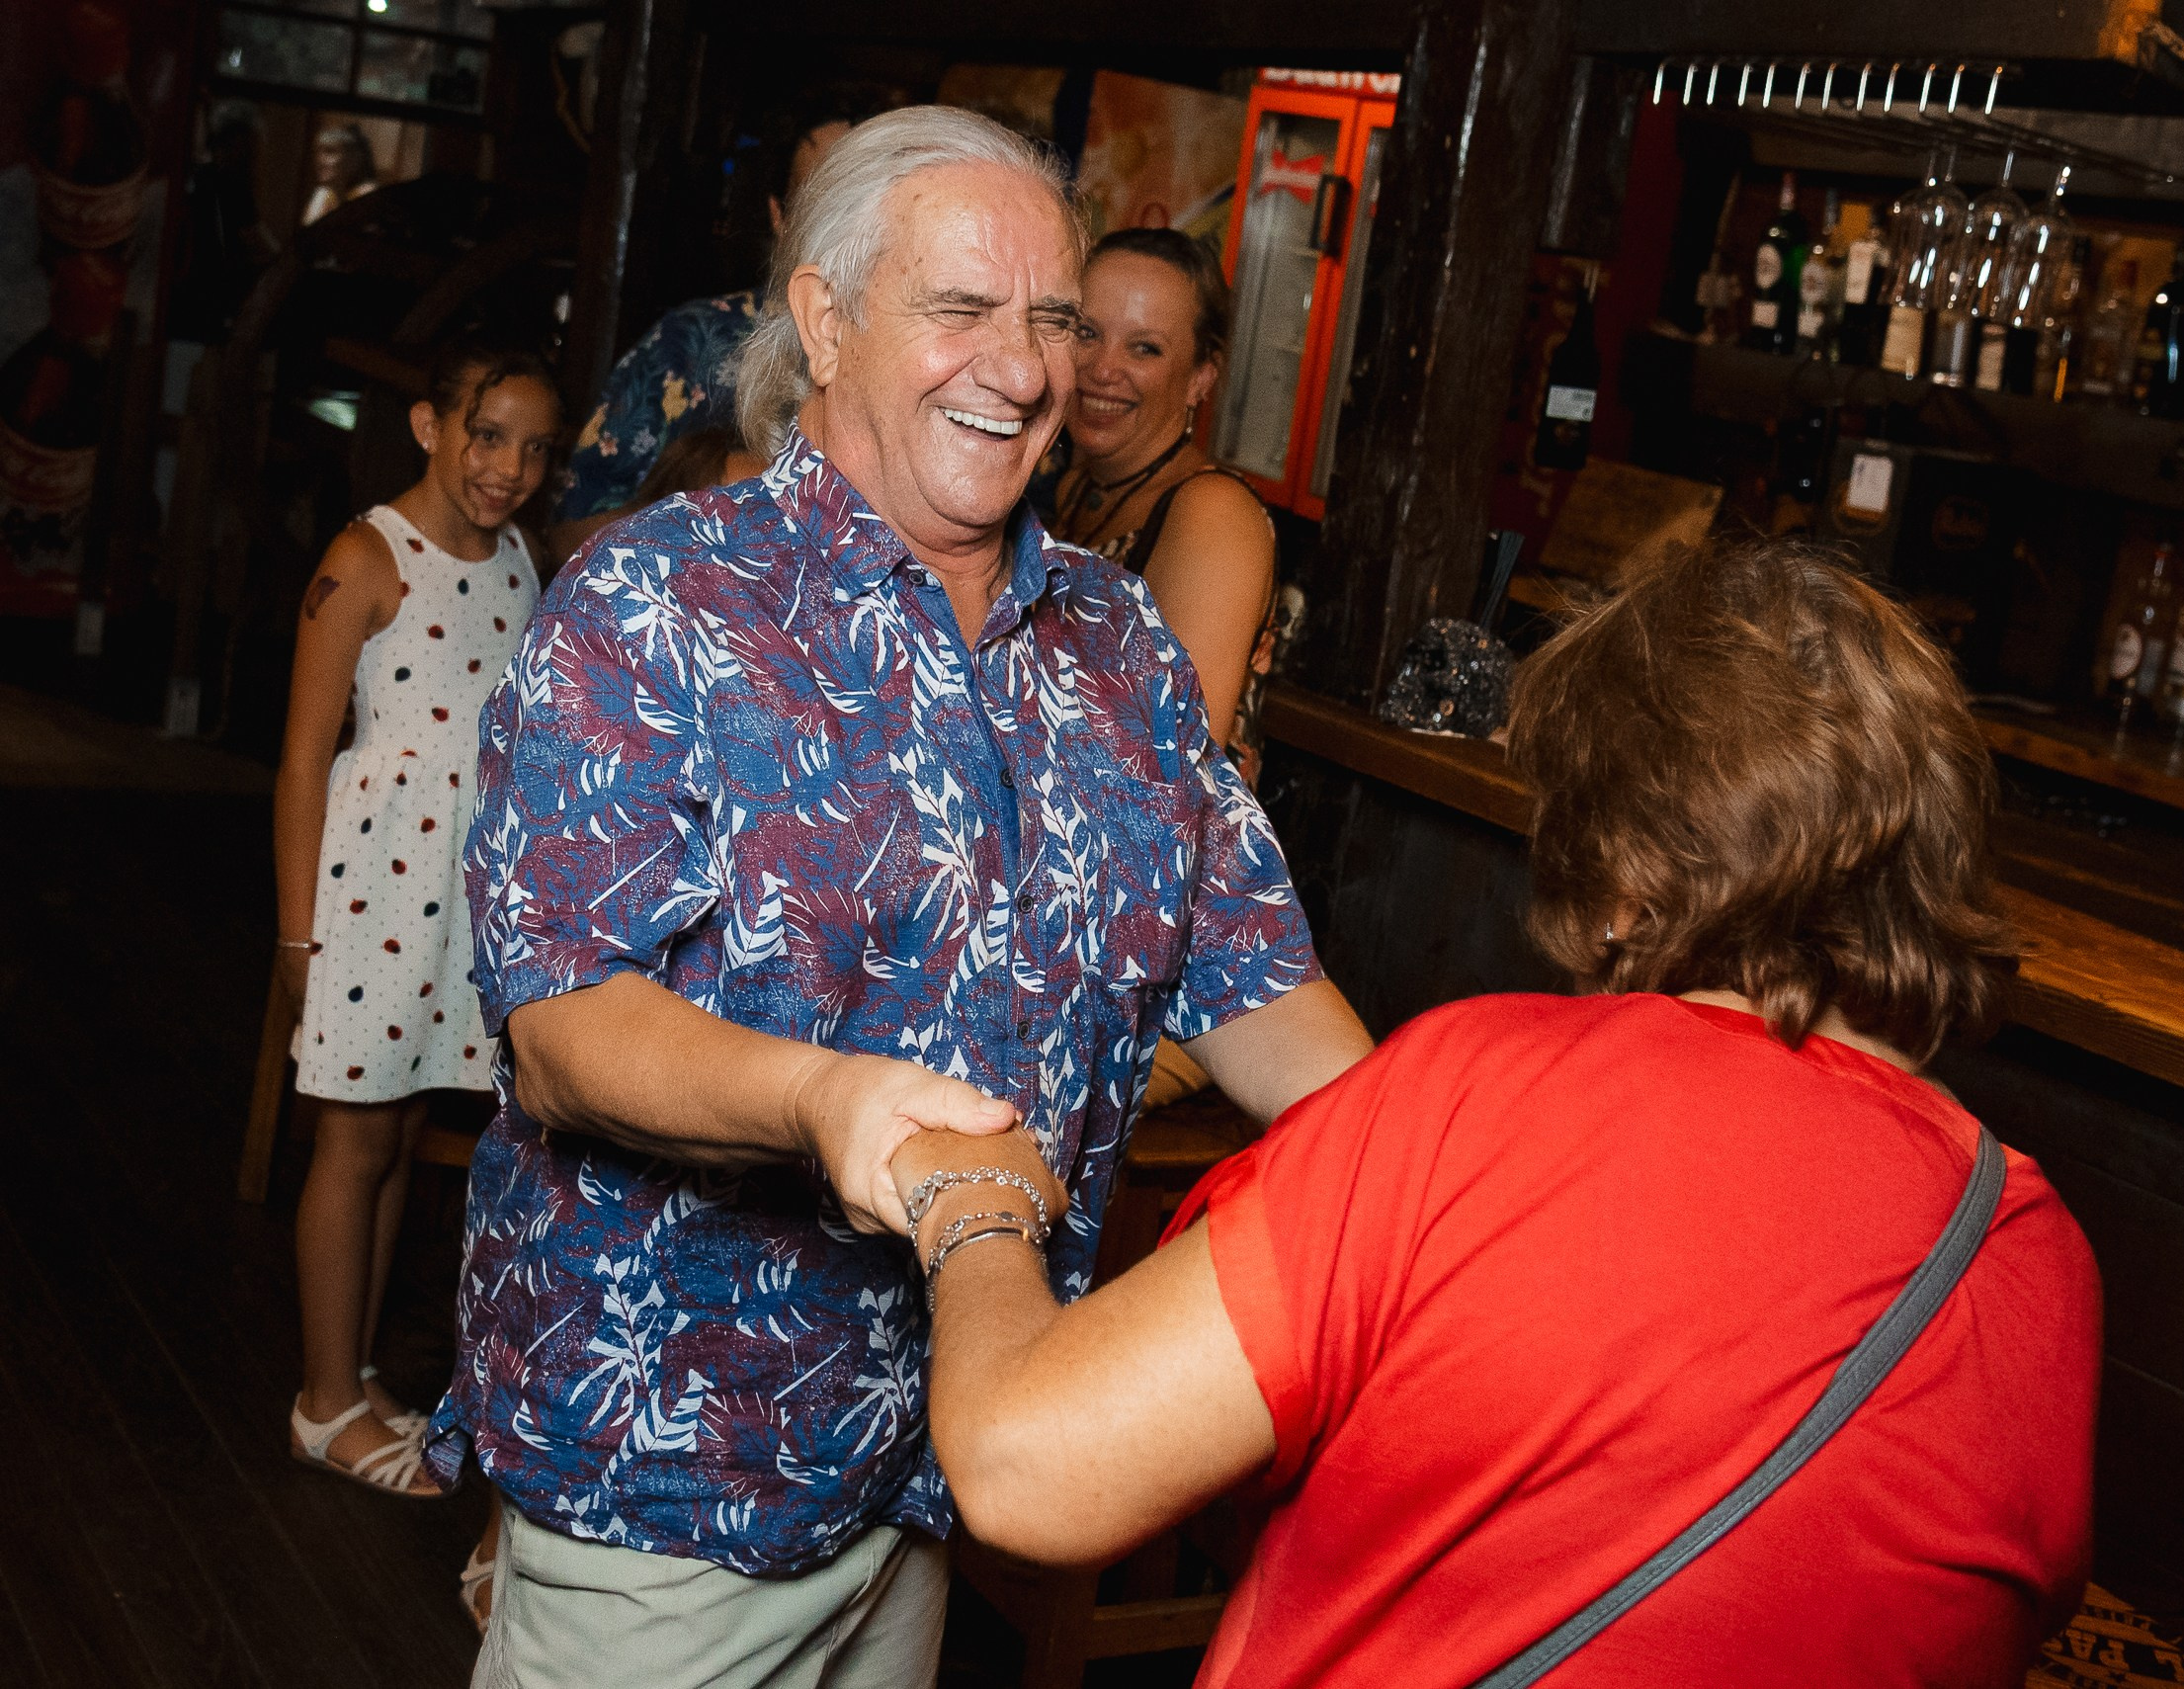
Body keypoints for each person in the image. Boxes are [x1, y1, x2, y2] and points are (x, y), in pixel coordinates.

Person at [436, 106, 1371, 1689]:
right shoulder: (657, 603)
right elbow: (563, 1030)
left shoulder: (1121, 649)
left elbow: (1264, 992)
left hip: (931, 1466)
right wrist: (822, 1101)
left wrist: (1481, 1179)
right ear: (825, 316)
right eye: (961, 310)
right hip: (675, 1469)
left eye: (1052, 320)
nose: (1020, 368)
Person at [891, 540, 2105, 1687]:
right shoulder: (2033, 1253)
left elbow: (1027, 1463)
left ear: (1626, 866)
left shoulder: (1485, 1097)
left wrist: (976, 1199)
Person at [275, 335, 560, 1498]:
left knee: (398, 1140)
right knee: (352, 1140)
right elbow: (301, 762)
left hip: (461, 904)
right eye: (487, 434)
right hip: (371, 893)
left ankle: (352, 1367)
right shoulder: (366, 557)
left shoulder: (518, 558)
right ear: (429, 425)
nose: (507, 468)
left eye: (535, 449)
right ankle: (320, 1397)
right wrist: (297, 934)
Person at [546, 82, 902, 559]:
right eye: (820, 203)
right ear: (779, 216)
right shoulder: (688, 345)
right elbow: (570, 534)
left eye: (864, 205)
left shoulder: (932, 362)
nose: (845, 228)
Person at [1046, 227, 1277, 785]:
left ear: (1201, 377)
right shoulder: (1075, 487)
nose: (1102, 369)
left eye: (1144, 348)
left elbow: (1169, 767)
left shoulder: (1213, 514)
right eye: (1087, 332)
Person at [302, 124, 378, 224]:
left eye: (330, 152)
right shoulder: (322, 195)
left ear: (354, 159)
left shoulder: (368, 198)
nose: (319, 161)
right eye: (317, 153)